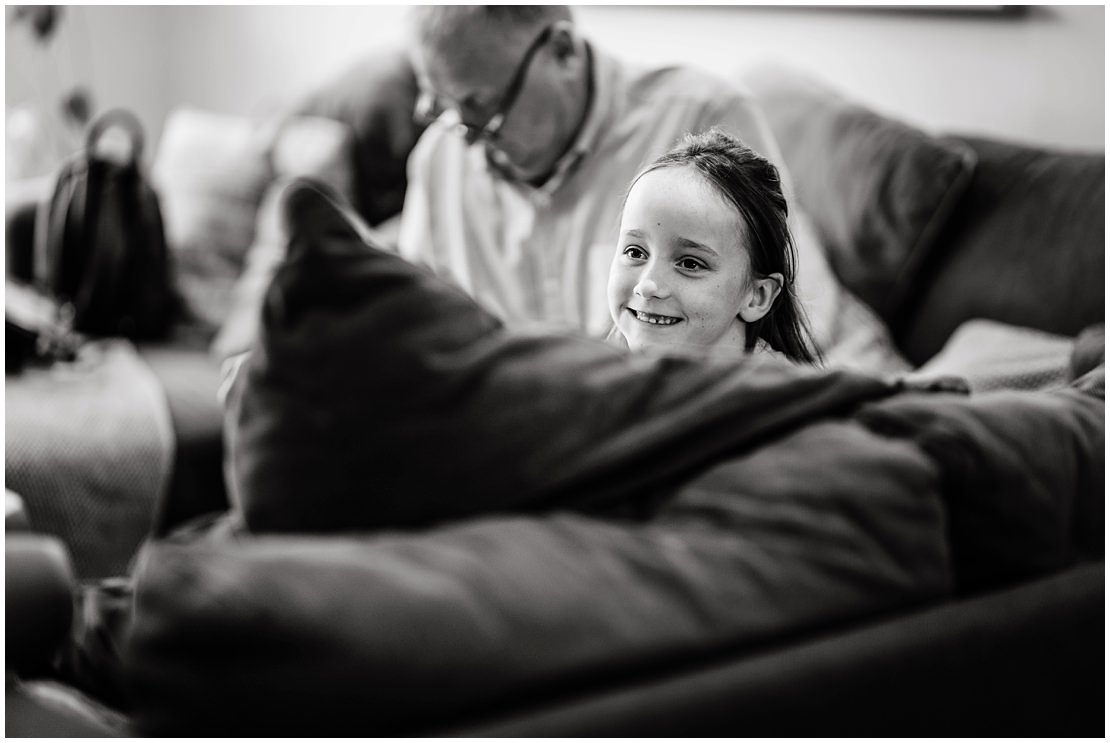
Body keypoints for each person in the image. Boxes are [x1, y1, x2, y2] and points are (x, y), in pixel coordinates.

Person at [396, 5, 855, 355]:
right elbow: (417, 337)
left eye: (482, 109)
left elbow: (802, 321)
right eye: (439, 105)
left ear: (562, 51)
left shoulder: (702, 116)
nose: (466, 138)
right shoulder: (441, 156)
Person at [607, 128, 818, 364]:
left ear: (757, 296)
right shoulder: (596, 378)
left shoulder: (779, 398)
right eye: (635, 252)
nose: (647, 286)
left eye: (690, 263)